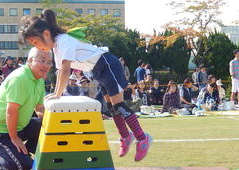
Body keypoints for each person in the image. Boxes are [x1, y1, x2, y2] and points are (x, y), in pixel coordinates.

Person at [20, 9, 152, 161]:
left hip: (107, 65)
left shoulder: (63, 40)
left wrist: (57, 94)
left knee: (119, 106)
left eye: (35, 42)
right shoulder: (56, 47)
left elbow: (65, 70)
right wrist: (56, 93)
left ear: (46, 34)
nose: (36, 47)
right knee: (111, 108)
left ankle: (142, 137)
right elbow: (60, 72)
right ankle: (125, 136)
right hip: (97, 71)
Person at [0, 47, 50, 170]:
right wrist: (14, 137)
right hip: (0, 131)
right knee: (22, 166)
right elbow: (11, 111)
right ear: (30, 60)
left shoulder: (39, 80)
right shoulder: (20, 78)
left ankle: (24, 152)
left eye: (49, 62)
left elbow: (39, 109)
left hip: (20, 127)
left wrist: (52, 120)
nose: (46, 65)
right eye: (42, 61)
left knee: (47, 126)